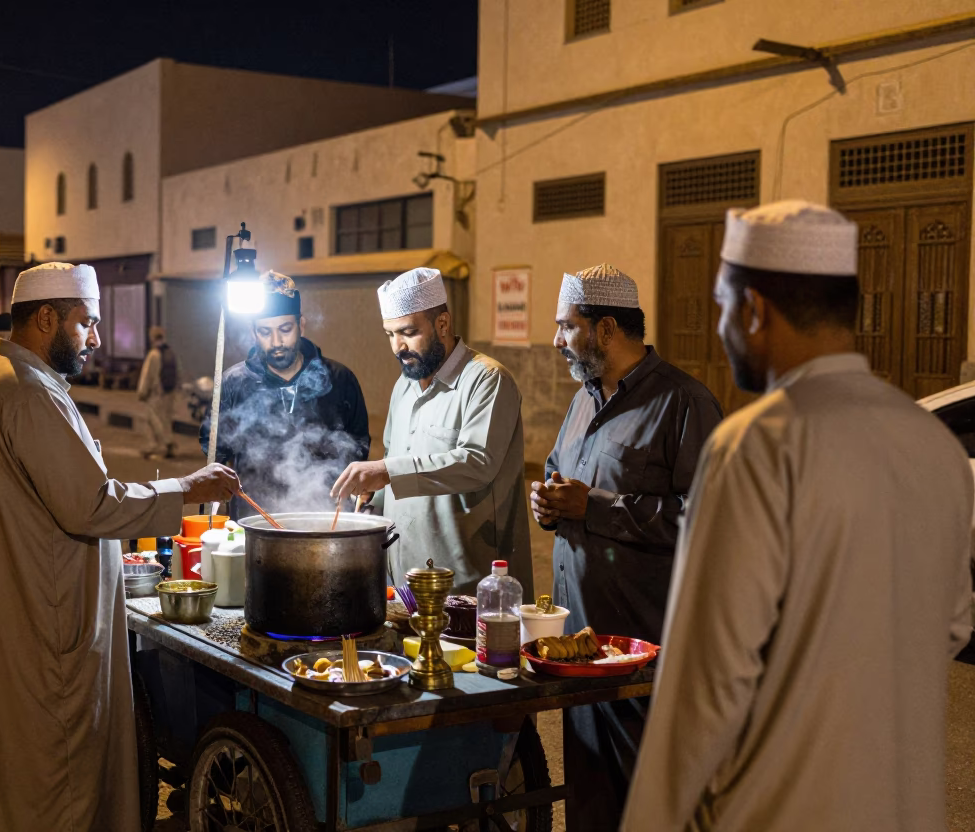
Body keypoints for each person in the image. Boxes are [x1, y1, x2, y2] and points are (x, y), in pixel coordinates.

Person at [622, 200, 974, 832]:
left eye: (723, 306)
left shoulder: (757, 445)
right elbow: (952, 626)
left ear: (754, 309)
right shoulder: (937, 446)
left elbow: (705, 683)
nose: (723, 324)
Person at [0, 262, 240, 831]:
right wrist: (186, 487)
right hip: (46, 625)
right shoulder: (27, 391)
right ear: (46, 318)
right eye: (87, 323)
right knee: (58, 774)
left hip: (2, 613)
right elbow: (92, 504)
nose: (97, 339)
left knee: (8, 766)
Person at [529, 263, 722, 832]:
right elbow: (562, 471)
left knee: (651, 799)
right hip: (583, 645)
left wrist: (593, 507)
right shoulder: (584, 399)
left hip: (646, 649)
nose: (557, 340)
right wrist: (550, 502)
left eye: (567, 326)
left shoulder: (684, 404)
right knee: (590, 793)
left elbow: (708, 521)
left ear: (606, 328)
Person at [332, 267, 532, 597]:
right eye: (389, 334)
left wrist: (384, 472)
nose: (398, 346)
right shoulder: (404, 386)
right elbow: (395, 461)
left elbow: (476, 463)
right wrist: (371, 499)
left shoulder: (487, 380)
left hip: (467, 583)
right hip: (401, 579)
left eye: (408, 332)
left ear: (442, 324)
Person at [203, 272, 370, 517]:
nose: (276, 341)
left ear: (301, 326)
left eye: (285, 329)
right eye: (265, 331)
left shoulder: (339, 378)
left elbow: (358, 447)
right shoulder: (233, 383)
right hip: (255, 517)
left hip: (323, 515)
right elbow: (214, 451)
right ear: (253, 332)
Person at [138, 325, 180, 460]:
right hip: (169, 393)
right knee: (166, 420)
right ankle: (167, 445)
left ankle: (160, 446)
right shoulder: (170, 352)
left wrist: (142, 393)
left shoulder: (153, 354)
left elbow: (147, 376)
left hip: (156, 394)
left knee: (154, 420)